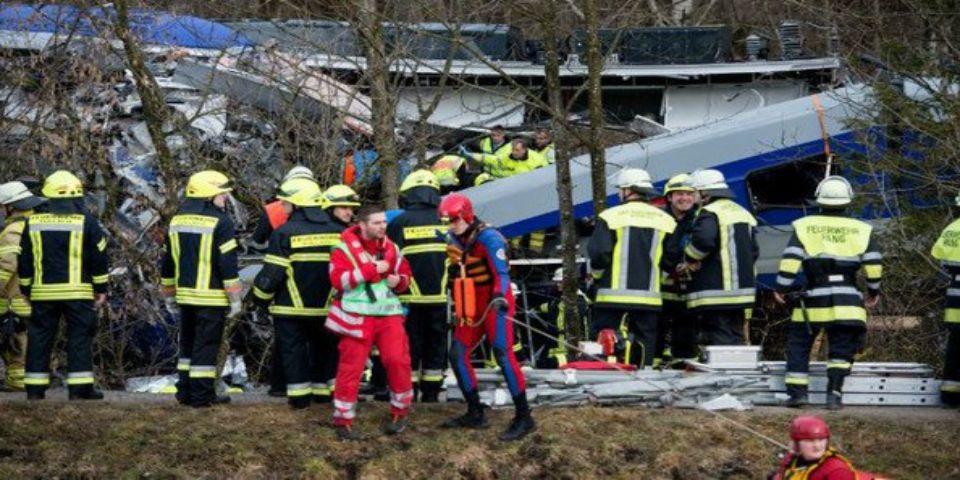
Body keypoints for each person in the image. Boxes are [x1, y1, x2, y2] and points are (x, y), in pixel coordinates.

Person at [774, 176, 881, 410]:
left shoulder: (804, 226)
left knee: (799, 345)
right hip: (848, 299)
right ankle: (834, 396)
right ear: (848, 200)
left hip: (813, 297)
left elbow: (790, 261)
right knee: (842, 348)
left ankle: (798, 395)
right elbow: (874, 265)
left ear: (819, 199)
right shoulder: (862, 229)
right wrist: (873, 291)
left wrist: (781, 288)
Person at [440, 193, 535, 441]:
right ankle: (475, 412)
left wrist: (499, 297)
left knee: (502, 352)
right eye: (447, 221)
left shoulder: (489, 238)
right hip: (470, 302)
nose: (451, 226)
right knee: (457, 354)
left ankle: (524, 416)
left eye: (454, 220)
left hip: (495, 300)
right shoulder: (453, 237)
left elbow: (501, 274)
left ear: (466, 216)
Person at [251, 177, 342, 408]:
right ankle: (323, 395)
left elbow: (273, 274)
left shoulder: (284, 233)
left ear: (297, 203)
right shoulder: (339, 232)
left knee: (294, 353)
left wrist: (259, 300)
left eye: (285, 202)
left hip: (291, 308)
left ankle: (300, 399)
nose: (282, 206)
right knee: (326, 351)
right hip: (329, 308)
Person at [325, 205, 414, 440]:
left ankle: (401, 411)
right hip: (356, 315)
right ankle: (343, 420)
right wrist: (370, 269)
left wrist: (399, 281)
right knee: (351, 368)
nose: (383, 226)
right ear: (362, 225)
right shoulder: (342, 248)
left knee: (397, 360)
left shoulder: (392, 247)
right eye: (377, 223)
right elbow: (339, 281)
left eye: (384, 222)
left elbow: (406, 277)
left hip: (388, 313)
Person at [19, 171, 109, 400]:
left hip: (42, 293)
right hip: (78, 293)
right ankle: (80, 390)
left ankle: (34, 390)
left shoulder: (33, 223)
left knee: (39, 338)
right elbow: (99, 257)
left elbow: (25, 260)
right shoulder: (87, 222)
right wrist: (101, 289)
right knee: (79, 338)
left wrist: (26, 289)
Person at [160, 170, 241, 407]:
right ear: (208, 194)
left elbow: (167, 261)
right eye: (222, 194)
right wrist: (235, 298)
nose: (225, 198)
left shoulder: (177, 220)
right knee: (206, 347)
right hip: (212, 297)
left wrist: (168, 294)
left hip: (185, 296)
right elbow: (227, 263)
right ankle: (201, 396)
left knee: (187, 346)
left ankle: (185, 392)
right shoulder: (222, 222)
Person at [587, 168, 676, 368]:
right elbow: (671, 258)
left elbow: (599, 254)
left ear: (627, 190)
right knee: (645, 343)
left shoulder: (610, 216)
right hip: (649, 298)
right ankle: (643, 376)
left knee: (603, 342)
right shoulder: (666, 220)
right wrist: (658, 280)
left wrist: (598, 278)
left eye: (620, 189)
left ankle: (600, 376)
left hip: (611, 297)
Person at [387, 170, 449, 402]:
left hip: (407, 298)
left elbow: (388, 260)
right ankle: (431, 394)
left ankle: (408, 393)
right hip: (440, 298)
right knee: (436, 344)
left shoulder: (399, 222)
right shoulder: (446, 220)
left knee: (409, 346)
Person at [683, 169, 758, 346]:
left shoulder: (710, 212)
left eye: (694, 192)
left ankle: (723, 366)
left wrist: (689, 259)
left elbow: (704, 241)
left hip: (715, 290)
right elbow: (754, 251)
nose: (693, 197)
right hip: (742, 292)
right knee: (736, 336)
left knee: (719, 338)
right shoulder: (743, 213)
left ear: (704, 192)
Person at [0, 181, 46, 391]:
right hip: (36, 297)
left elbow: (7, 265)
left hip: (15, 301)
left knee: (16, 347)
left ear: (10, 207)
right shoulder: (37, 224)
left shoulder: (13, 231)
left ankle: (18, 388)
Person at [658, 173, 699, 365]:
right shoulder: (658, 219)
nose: (685, 198)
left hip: (690, 287)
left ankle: (685, 366)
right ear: (669, 197)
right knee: (656, 330)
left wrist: (691, 263)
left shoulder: (700, 219)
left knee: (686, 333)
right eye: (679, 194)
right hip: (661, 286)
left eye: (689, 194)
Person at [770, 416, 870, 480]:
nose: (817, 446)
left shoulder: (836, 471)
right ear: (796, 443)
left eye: (821, 440)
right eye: (810, 441)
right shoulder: (791, 460)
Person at [931, 192, 960, 408]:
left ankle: (950, 395)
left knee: (955, 346)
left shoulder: (951, 229)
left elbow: (941, 261)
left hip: (955, 297)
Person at [534, 267, 590, 368]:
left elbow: (582, 324)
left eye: (560, 282)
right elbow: (552, 307)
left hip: (569, 345)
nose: (557, 284)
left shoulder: (578, 300)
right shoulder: (563, 298)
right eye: (557, 282)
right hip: (558, 344)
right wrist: (535, 309)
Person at [465, 138, 548, 180]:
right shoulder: (507, 156)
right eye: (513, 149)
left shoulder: (537, 160)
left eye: (517, 150)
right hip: (498, 180)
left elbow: (545, 176)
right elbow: (491, 159)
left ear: (524, 150)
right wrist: (471, 155)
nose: (513, 152)